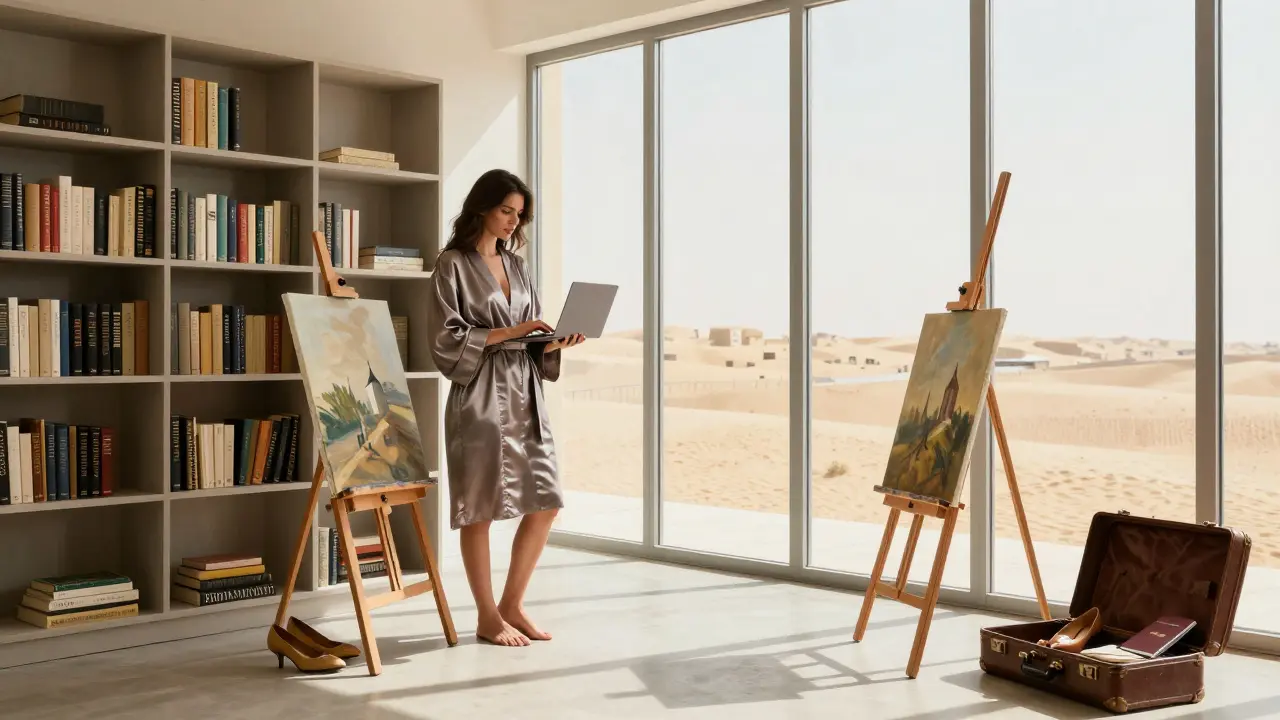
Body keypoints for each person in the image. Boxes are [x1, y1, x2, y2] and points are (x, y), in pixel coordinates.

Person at [426, 169, 584, 647]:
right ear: (482, 208)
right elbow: (445, 339)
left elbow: (530, 336)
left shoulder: (518, 267)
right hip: (478, 395)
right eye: (505, 211)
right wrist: (516, 332)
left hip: (525, 390)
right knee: (479, 510)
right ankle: (486, 615)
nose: (514, 221)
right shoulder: (451, 265)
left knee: (546, 503)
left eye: (519, 214)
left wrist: (555, 342)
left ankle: (512, 604)